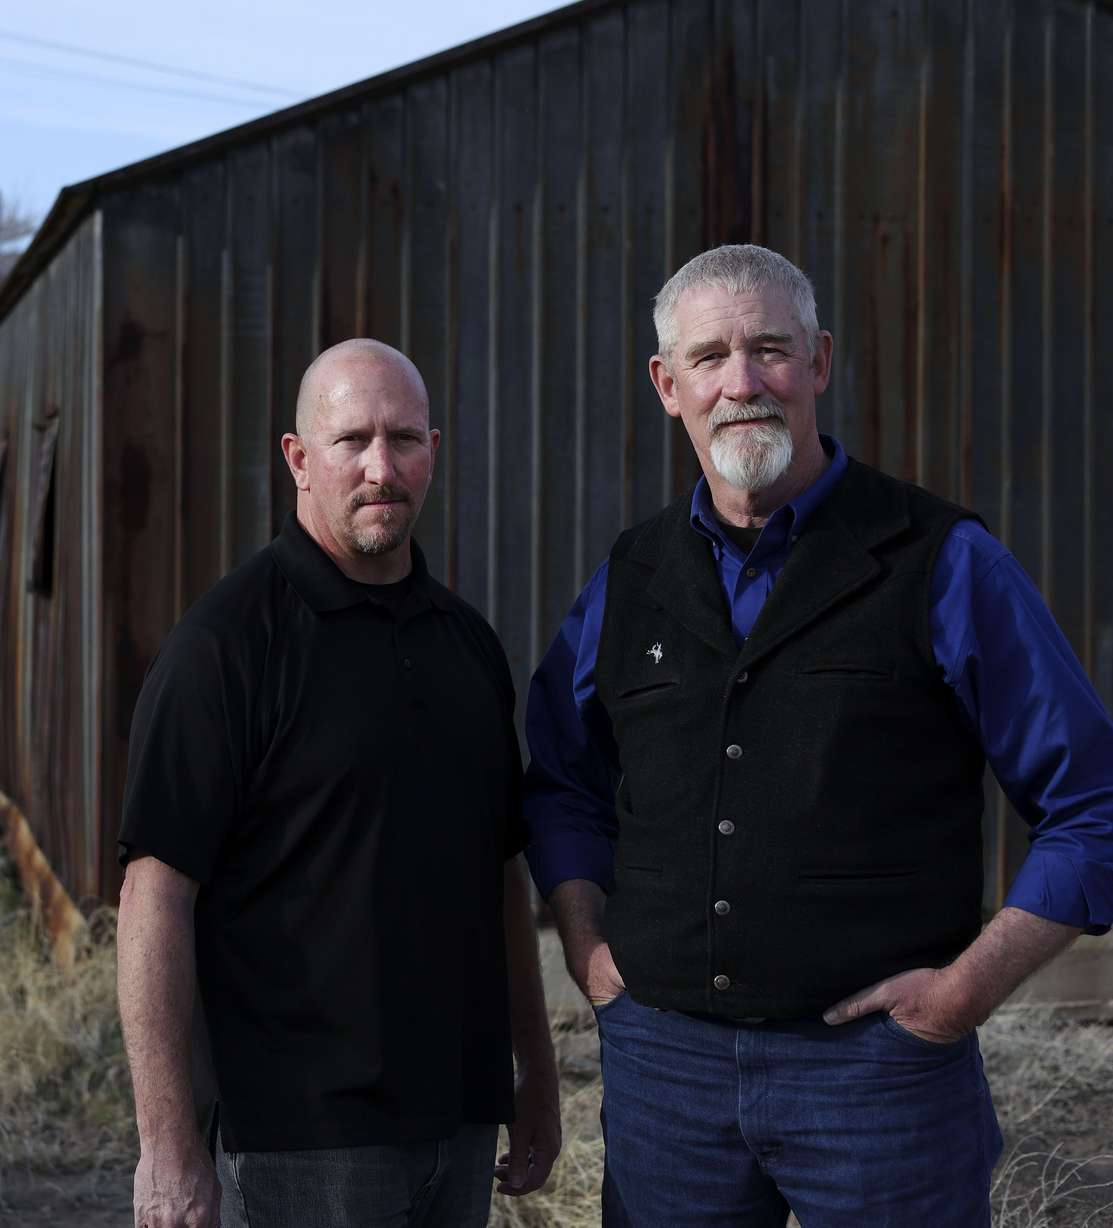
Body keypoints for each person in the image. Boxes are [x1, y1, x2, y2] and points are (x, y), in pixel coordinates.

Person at [524, 244, 1113, 1227]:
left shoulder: (940, 561)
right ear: (668, 386)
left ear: (822, 363)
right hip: (665, 1079)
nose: (742, 383)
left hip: (879, 1080)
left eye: (771, 350)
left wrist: (965, 991)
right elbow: (560, 782)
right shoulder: (629, 578)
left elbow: (1092, 801)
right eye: (709, 358)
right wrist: (589, 951)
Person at [117, 339, 560, 1228]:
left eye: (404, 439)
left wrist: (534, 1075)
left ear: (434, 447)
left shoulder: (466, 645)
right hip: (300, 1140)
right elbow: (152, 897)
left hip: (461, 1124)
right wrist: (165, 1146)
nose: (380, 468)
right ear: (297, 458)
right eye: (351, 439)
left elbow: (500, 875)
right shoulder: (227, 646)